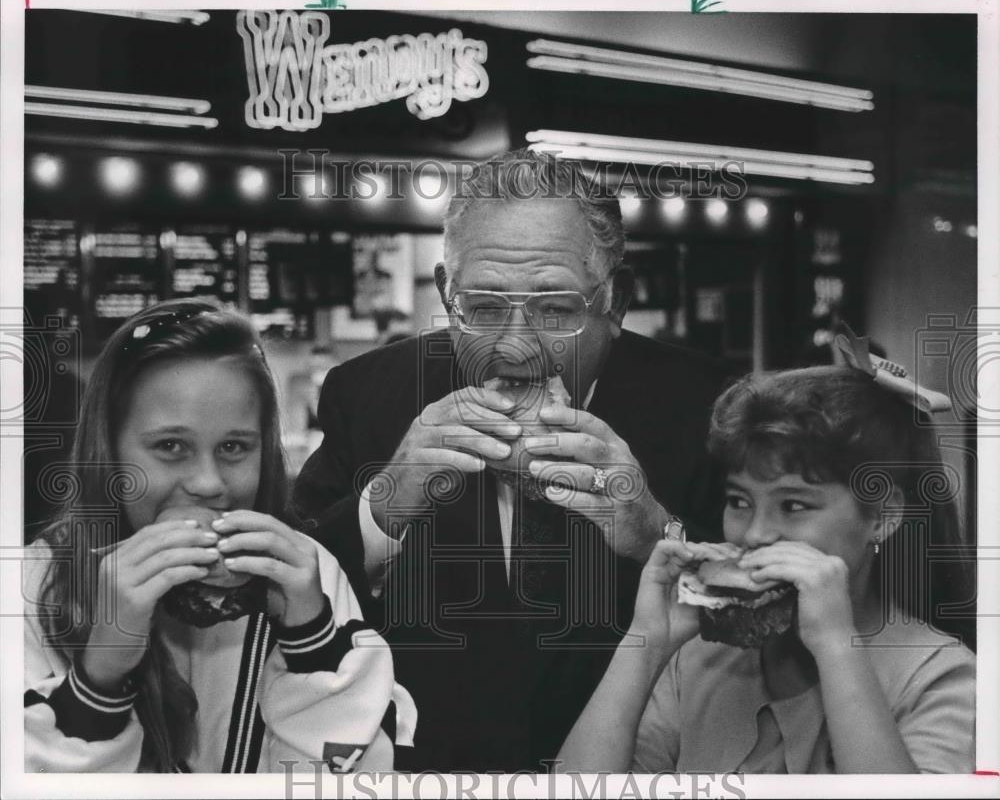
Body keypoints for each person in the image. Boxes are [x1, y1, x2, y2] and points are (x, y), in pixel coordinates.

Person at [293, 149, 729, 771]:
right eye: (486, 308)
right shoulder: (367, 394)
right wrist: (382, 508)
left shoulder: (707, 407)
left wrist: (658, 537)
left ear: (616, 300)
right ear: (447, 292)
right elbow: (287, 586)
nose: (516, 346)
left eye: (555, 310)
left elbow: (771, 607)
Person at [23, 299, 415, 773]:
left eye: (234, 447)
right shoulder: (29, 586)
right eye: (170, 446)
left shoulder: (303, 570)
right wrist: (101, 673)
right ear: (109, 450)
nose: (209, 483)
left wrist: (313, 642)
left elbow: (357, 777)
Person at [558, 355, 976, 773]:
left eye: (793, 505)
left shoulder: (942, 677)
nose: (755, 534)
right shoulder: (700, 659)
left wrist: (835, 645)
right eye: (739, 501)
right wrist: (647, 641)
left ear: (882, 517)